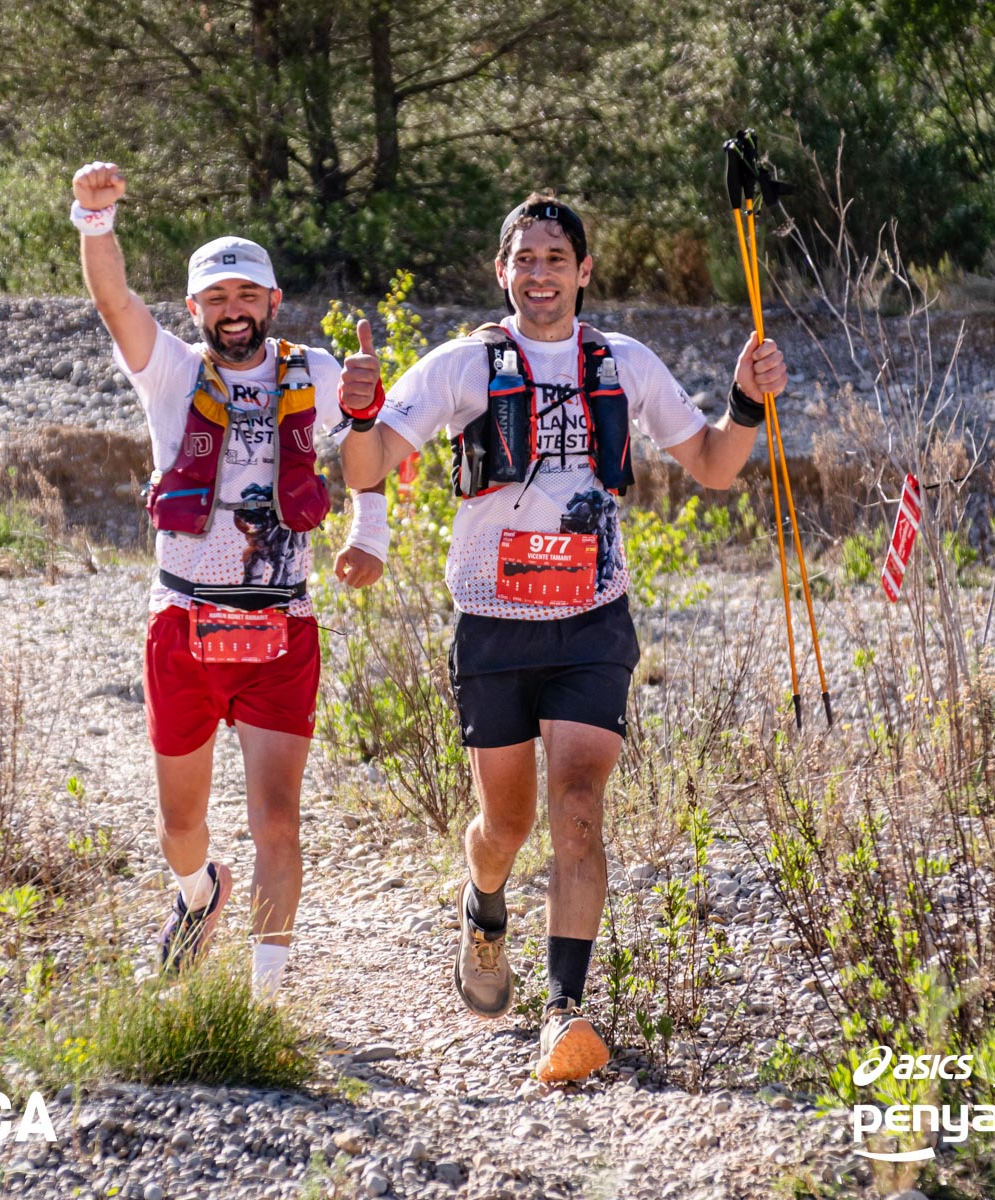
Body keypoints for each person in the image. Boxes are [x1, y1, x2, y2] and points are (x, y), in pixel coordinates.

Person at [337, 194, 787, 1080]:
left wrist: (745, 401)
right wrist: (358, 414)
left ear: (584, 271)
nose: (539, 273)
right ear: (501, 272)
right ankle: (484, 902)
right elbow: (368, 465)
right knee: (505, 824)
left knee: (579, 807)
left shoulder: (624, 362)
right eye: (525, 259)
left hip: (592, 620)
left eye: (556, 258)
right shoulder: (463, 365)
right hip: (493, 626)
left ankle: (564, 1011)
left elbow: (714, 465)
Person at [71, 160, 391, 997]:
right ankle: (197, 893)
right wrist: (94, 220)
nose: (233, 309)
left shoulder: (318, 371)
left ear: (273, 301)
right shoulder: (171, 371)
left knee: (277, 821)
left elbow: (370, 462)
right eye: (216, 298)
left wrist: (363, 431)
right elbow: (114, 302)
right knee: (181, 826)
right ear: (195, 310)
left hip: (282, 627)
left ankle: (265, 1000)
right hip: (184, 620)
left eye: (247, 294)